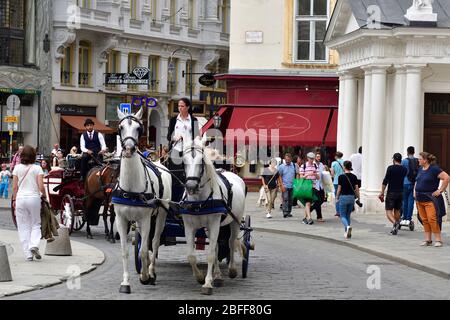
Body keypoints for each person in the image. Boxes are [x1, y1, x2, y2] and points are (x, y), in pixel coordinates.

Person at [12, 145, 46, 261]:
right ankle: (34, 245)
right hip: (34, 198)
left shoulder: (16, 168)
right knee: (36, 223)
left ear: (21, 156)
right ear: (33, 156)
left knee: (23, 227)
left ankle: (28, 254)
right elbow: (41, 187)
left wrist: (14, 200)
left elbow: (15, 187)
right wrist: (44, 196)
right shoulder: (37, 168)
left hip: (21, 198)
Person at [166, 98, 199, 201]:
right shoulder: (173, 120)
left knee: (188, 175)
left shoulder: (194, 120)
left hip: (189, 151)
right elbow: (168, 136)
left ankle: (189, 197)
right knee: (175, 177)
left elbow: (196, 136)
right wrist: (174, 137)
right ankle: (175, 199)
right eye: (179, 106)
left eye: (182, 106)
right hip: (176, 150)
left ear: (187, 107)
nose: (180, 108)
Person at [414, 152, 450, 247]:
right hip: (419, 198)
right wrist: (415, 191)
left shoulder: (434, 169)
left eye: (420, 159)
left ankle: (438, 240)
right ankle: (428, 240)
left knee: (432, 219)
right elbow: (417, 181)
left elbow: (446, 178)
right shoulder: (420, 169)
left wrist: (440, 190)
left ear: (425, 160)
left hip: (430, 199)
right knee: (424, 219)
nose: (418, 160)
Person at [379, 153, 408, 235]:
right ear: (401, 160)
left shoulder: (390, 168)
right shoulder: (404, 169)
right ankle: (395, 227)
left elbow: (385, 181)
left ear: (394, 160)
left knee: (388, 211)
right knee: (397, 210)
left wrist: (382, 192)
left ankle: (395, 223)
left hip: (391, 192)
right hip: (400, 192)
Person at [336, 161, 360, 239]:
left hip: (343, 197)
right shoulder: (354, 176)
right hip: (351, 198)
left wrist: (337, 197)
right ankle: (347, 233)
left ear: (344, 167)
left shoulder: (341, 177)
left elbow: (339, 189)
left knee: (342, 215)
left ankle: (347, 227)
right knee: (348, 215)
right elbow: (357, 189)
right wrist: (358, 198)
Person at [299, 152, 320, 225]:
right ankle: (309, 218)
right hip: (306, 186)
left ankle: (305, 218)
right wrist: (307, 174)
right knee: (307, 203)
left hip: (313, 186)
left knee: (309, 203)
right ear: (307, 158)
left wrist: (315, 174)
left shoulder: (315, 165)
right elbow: (301, 177)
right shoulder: (303, 166)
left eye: (313, 158)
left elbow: (318, 178)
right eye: (310, 158)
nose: (312, 160)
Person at [401, 146, 419, 225]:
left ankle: (404, 218)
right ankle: (409, 218)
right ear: (414, 152)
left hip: (405, 183)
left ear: (407, 152)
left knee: (404, 201)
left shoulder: (404, 161)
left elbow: (401, 172)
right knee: (411, 201)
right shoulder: (417, 160)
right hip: (413, 183)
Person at [277, 153, 298, 218]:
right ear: (284, 159)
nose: (287, 161)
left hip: (292, 185)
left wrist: (296, 183)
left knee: (291, 200)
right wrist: (281, 185)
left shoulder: (294, 165)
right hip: (285, 185)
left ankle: (289, 212)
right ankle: (285, 212)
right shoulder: (281, 167)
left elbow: (297, 174)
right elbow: (279, 176)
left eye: (288, 160)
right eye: (286, 160)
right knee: (285, 199)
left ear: (291, 159)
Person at [311, 151, 326, 222]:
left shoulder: (321, 165)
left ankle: (310, 209)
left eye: (319, 157)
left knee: (322, 199)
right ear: (315, 157)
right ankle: (319, 217)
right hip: (314, 185)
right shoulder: (312, 164)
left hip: (321, 185)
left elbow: (323, 174)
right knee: (317, 201)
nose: (318, 158)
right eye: (317, 157)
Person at [330, 151, 344, 217]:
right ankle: (343, 211)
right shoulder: (344, 162)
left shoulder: (334, 163)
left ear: (336, 156)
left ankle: (338, 211)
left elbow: (332, 173)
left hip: (336, 181)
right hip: (343, 181)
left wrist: (334, 176)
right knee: (342, 196)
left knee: (337, 196)